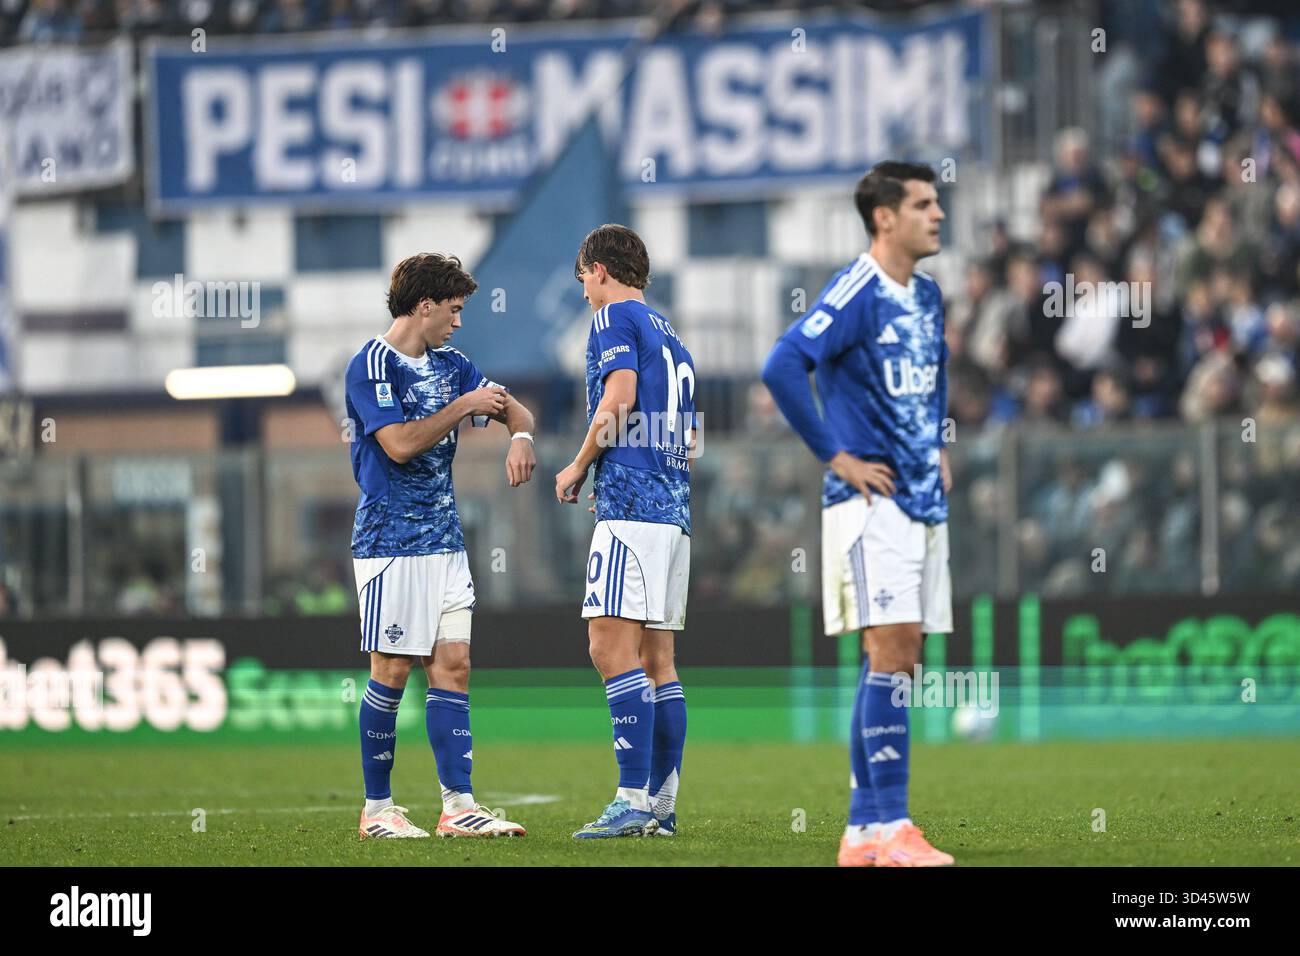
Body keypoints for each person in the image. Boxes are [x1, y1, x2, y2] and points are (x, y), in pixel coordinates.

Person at [761, 161, 955, 867]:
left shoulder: (929, 297)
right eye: (925, 204)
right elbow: (783, 363)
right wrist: (835, 455)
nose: (939, 214)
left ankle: (864, 831)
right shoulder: (859, 288)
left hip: (919, 499)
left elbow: (934, 379)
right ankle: (894, 825)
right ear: (885, 217)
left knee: (899, 657)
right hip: (870, 502)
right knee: (894, 650)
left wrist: (935, 444)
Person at [344, 252, 537, 839]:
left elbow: (513, 407)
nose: (457, 323)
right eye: (452, 311)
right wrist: (464, 408)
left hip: (447, 543)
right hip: (391, 543)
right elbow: (399, 445)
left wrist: (520, 434)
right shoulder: (370, 366)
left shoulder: (455, 365)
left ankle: (458, 806)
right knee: (393, 669)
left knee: (453, 666)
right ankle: (377, 810)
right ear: (423, 305)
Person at [554, 224, 695, 839]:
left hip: (634, 512)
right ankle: (660, 808)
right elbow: (683, 434)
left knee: (608, 646)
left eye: (583, 276)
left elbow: (620, 398)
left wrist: (582, 465)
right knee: (659, 660)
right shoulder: (673, 336)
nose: (584, 290)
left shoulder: (614, 317)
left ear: (600, 270)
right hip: (673, 509)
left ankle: (632, 798)